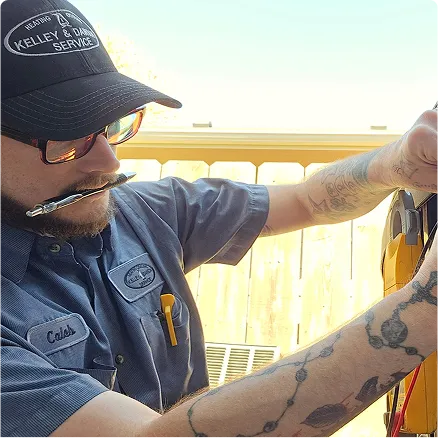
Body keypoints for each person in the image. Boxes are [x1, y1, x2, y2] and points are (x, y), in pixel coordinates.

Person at [1, 0, 438, 437]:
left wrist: (393, 165)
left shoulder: (143, 211)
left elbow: (308, 201)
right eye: (64, 141)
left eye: (110, 127)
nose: (109, 161)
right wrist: (425, 310)